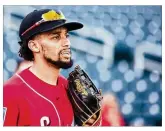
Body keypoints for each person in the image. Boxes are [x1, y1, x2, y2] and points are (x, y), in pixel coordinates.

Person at [3, 9, 98, 126]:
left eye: (66, 35)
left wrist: (92, 124)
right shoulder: (9, 93)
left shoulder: (71, 89)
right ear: (34, 46)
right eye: (56, 37)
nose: (67, 43)